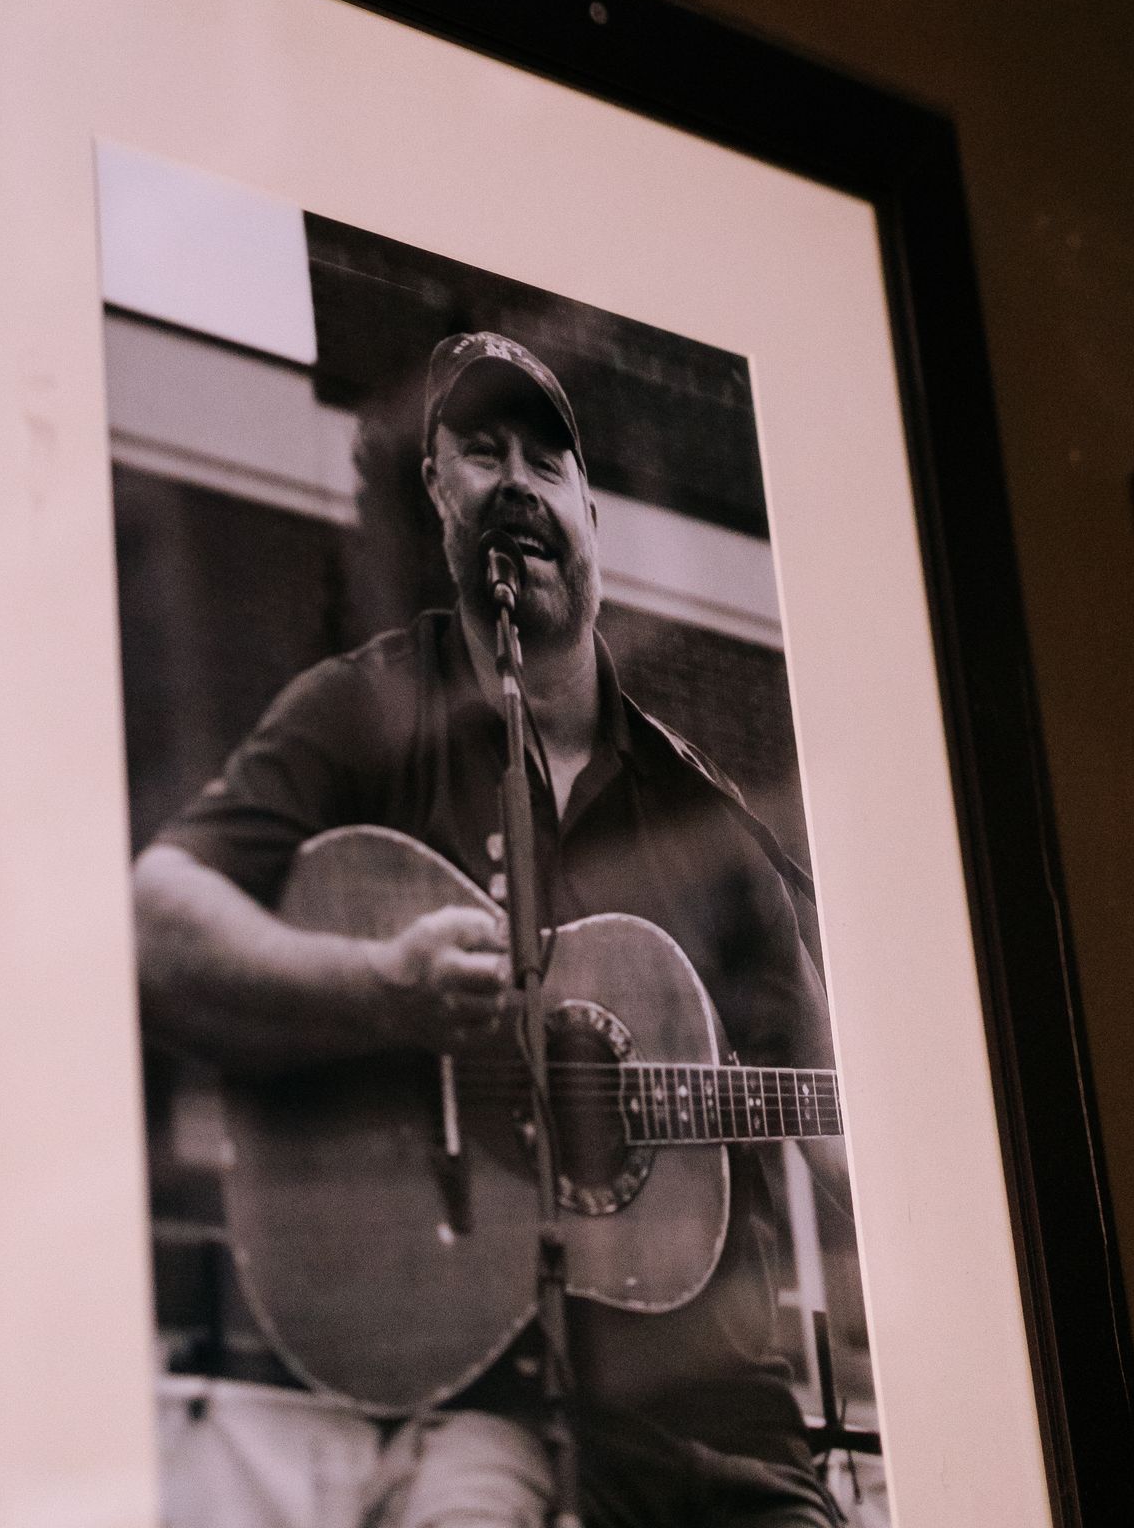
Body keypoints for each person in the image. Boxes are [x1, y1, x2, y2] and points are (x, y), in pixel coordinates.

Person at [134, 330, 845, 1528]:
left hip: (729, 1427)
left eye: (545, 459)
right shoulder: (364, 711)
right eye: (482, 451)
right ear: (436, 490)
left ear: (590, 513)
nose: (517, 481)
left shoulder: (710, 823)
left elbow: (837, 1123)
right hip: (488, 1402)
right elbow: (160, 918)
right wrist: (382, 987)